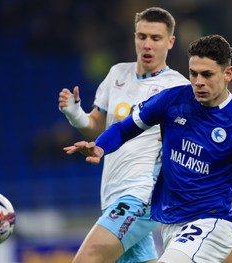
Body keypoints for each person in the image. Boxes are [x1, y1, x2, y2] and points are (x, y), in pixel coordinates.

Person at [63, 34, 232, 263]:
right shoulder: (174, 100)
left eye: (207, 74)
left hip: (210, 224)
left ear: (227, 73)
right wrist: (101, 147)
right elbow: (126, 127)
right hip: (169, 223)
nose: (198, 82)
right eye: (193, 74)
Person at [58, 7, 189, 263]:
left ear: (170, 42)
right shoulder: (117, 73)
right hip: (112, 194)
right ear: (134, 37)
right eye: (142, 36)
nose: (147, 44)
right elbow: (97, 125)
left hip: (142, 194)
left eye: (156, 38)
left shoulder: (178, 87)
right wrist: (75, 114)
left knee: (88, 259)